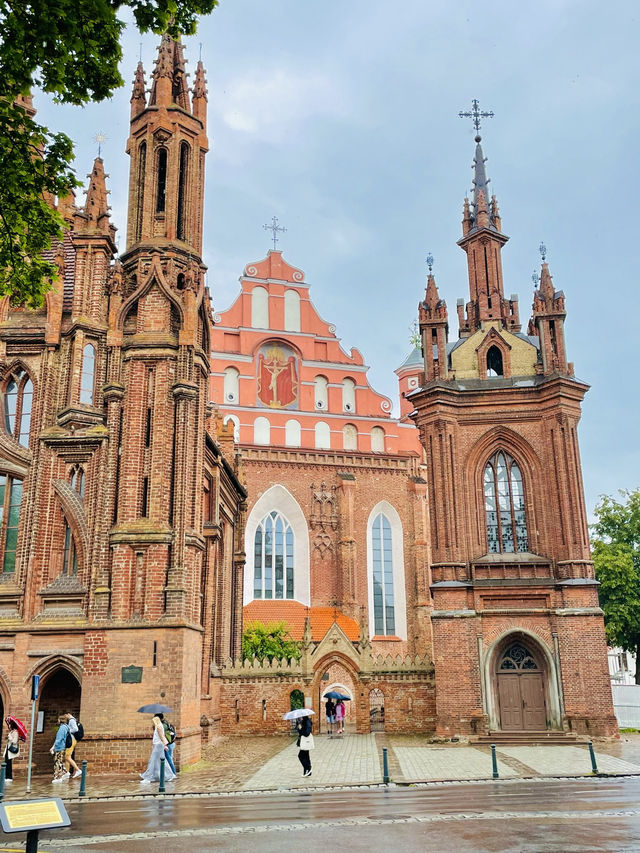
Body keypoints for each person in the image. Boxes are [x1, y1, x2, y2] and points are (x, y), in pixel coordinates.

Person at [139, 714, 176, 784]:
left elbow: (162, 736)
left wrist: (164, 745)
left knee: (153, 761)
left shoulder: (159, 726)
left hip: (158, 746)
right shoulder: (159, 726)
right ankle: (169, 775)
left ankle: (148, 778)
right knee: (161, 761)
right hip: (158, 745)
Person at [50, 715, 70, 782]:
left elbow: (59, 739)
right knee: (60, 761)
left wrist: (53, 747)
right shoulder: (66, 727)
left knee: (57, 762)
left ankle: (58, 777)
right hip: (63, 746)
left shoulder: (62, 728)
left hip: (59, 747)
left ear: (60, 720)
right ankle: (65, 772)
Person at [64, 713, 82, 778]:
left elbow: (75, 729)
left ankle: (78, 770)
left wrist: (68, 731)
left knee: (67, 757)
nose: (65, 717)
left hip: (71, 740)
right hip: (72, 740)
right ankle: (67, 772)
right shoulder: (73, 720)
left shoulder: (71, 720)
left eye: (65, 716)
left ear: (68, 714)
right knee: (67, 757)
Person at [3, 719, 20, 783]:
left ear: (12, 725)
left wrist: (10, 737)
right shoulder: (11, 731)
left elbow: (14, 741)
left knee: (9, 763)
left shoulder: (15, 732)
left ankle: (9, 777)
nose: (9, 725)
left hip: (11, 750)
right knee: (6, 762)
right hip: (8, 750)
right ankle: (6, 776)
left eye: (10, 724)